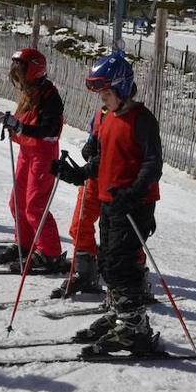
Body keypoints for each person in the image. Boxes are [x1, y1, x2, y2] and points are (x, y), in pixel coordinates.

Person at [52, 50, 162, 355]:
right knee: (108, 262)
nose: (103, 100)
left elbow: (153, 164)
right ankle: (120, 314)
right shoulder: (109, 117)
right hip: (112, 201)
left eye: (107, 93)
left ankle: (134, 328)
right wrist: (75, 174)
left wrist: (134, 192)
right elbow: (101, 161)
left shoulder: (142, 119)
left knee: (121, 264)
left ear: (123, 87)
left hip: (134, 204)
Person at [0, 48, 68, 274]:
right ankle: (24, 244)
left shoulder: (50, 96)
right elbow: (22, 123)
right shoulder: (30, 93)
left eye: (20, 70)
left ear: (33, 71)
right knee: (17, 203)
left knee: (35, 206)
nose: (16, 74)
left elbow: (50, 130)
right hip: (27, 153)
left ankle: (50, 254)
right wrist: (0, 117)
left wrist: (20, 127)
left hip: (43, 155)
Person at [51, 105, 108, 298]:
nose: (103, 95)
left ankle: (135, 276)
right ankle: (85, 273)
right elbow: (92, 140)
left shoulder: (132, 117)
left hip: (117, 180)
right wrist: (90, 145)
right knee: (79, 225)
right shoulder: (101, 112)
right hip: (93, 175)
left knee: (120, 233)